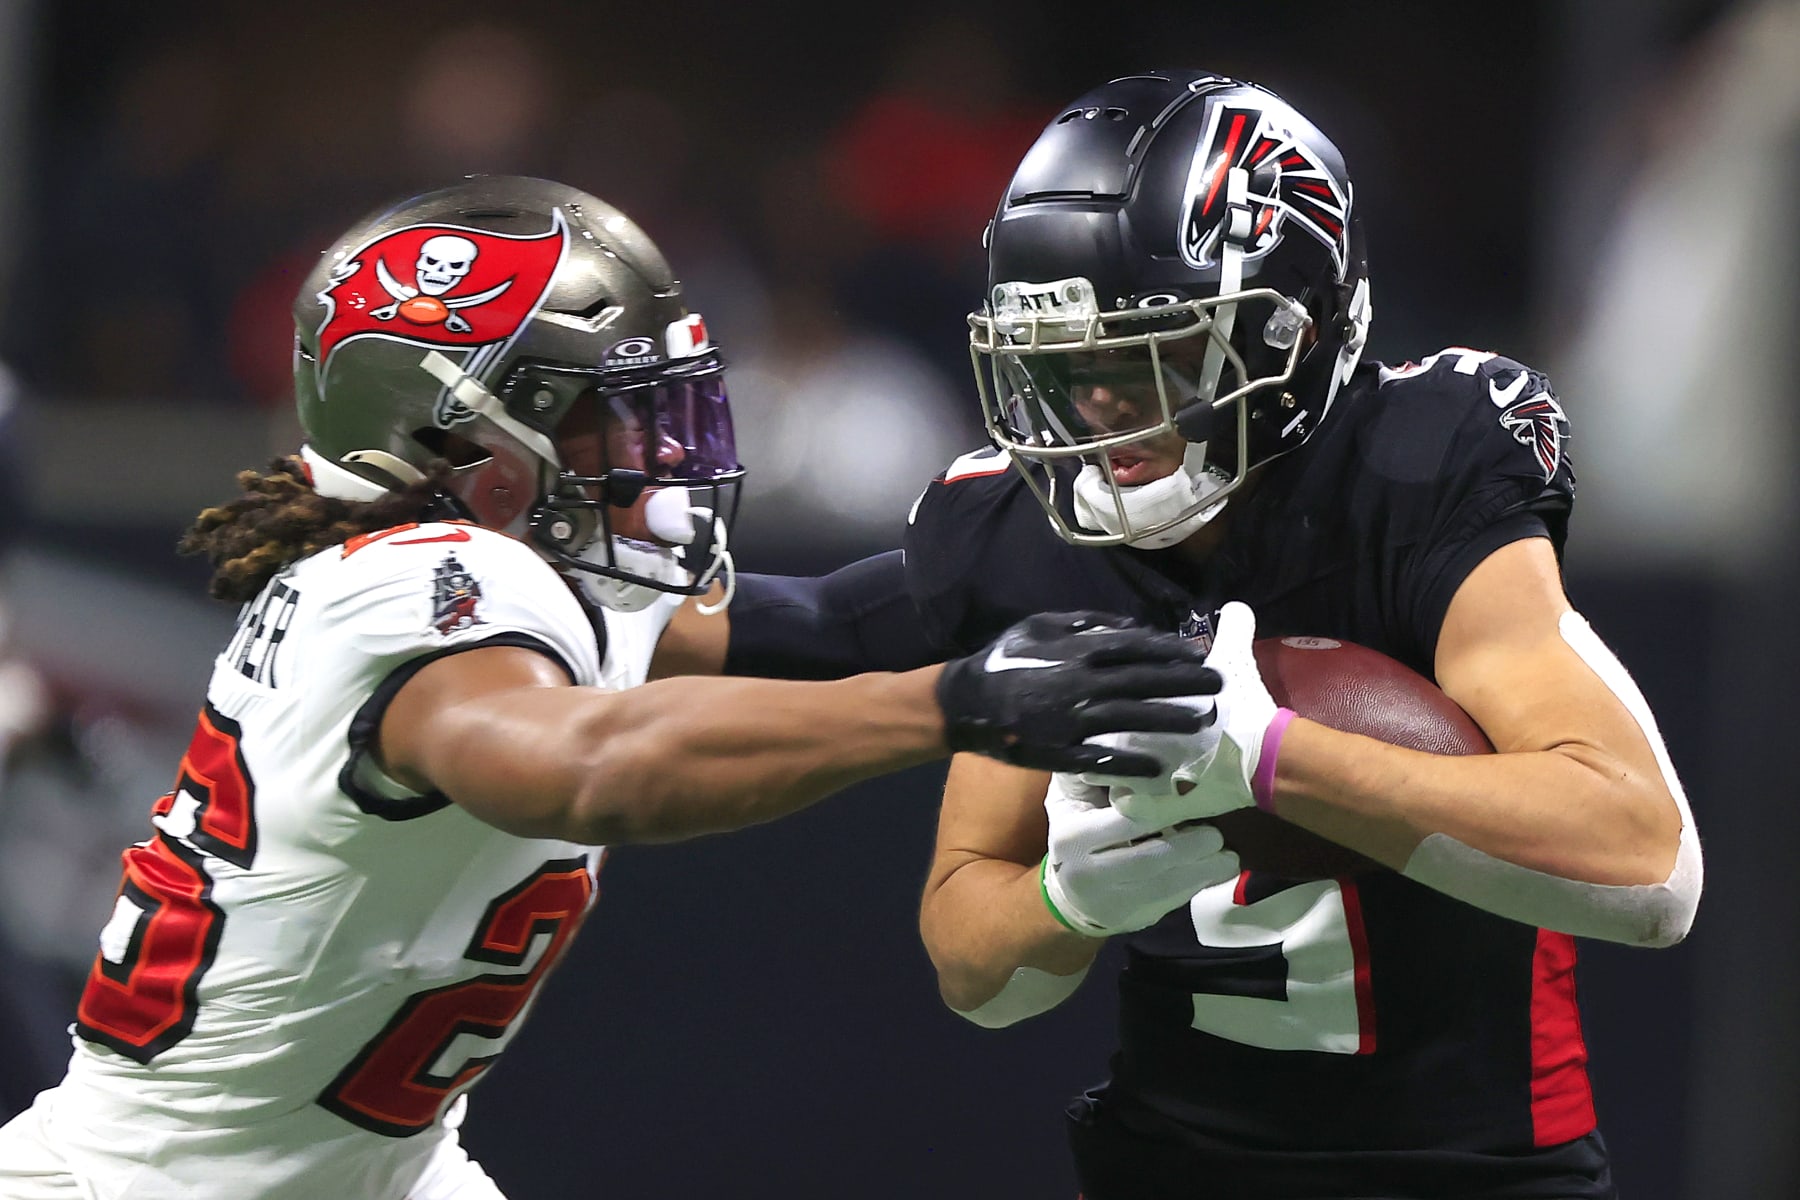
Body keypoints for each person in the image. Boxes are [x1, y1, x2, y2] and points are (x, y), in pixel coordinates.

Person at [0, 175, 1224, 1200]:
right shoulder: (430, 591)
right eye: (611, 413)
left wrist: (1084, 529)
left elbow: (826, 625)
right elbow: (591, 766)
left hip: (361, 1173)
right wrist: (955, 706)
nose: (659, 449)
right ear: (471, 451)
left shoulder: (492, 573)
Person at [714, 70, 1702, 1198]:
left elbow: (1649, 867)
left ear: (1302, 326)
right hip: (1172, 1167)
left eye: (1150, 355)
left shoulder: (1414, 480)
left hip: (1478, 1172)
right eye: (1072, 364)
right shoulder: (1047, 544)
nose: (1099, 407)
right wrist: (1067, 902)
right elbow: (974, 969)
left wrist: (1275, 756)